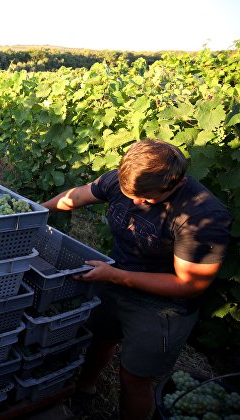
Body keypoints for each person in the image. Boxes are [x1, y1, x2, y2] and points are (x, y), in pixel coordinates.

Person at [40, 139, 232, 420]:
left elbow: (191, 285)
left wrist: (117, 276)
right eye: (130, 195)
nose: (136, 203)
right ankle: (85, 388)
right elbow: (78, 196)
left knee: (134, 377)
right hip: (115, 278)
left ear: (176, 184)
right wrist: (35, 211)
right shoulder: (123, 181)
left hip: (163, 305)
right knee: (98, 339)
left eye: (146, 198)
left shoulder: (201, 218)